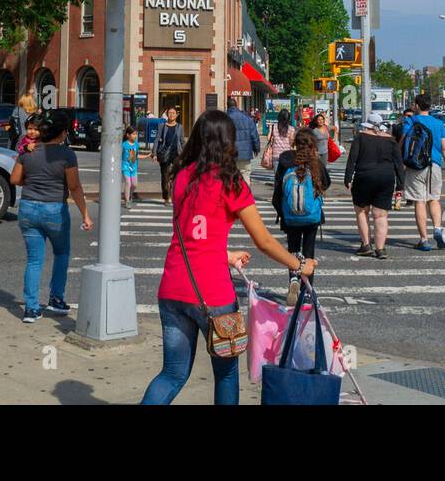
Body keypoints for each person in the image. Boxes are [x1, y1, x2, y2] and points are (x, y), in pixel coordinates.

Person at [142, 109, 316, 405]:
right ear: (228, 141)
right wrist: (300, 264)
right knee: (225, 373)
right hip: (213, 293)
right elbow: (263, 240)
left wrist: (226, 255)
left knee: (172, 373)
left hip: (173, 286)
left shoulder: (182, 176)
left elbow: (194, 235)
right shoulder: (231, 182)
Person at [9, 111, 92, 323]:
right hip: (54, 209)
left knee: (34, 260)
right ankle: (56, 298)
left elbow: (15, 178)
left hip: (28, 208)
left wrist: (33, 180)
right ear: (63, 133)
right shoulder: (66, 154)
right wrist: (85, 214)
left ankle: (31, 309)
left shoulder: (28, 150)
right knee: (62, 253)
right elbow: (74, 187)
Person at [272, 128, 330, 303]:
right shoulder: (316, 162)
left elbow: (278, 191)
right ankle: (306, 290)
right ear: (312, 144)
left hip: (290, 217)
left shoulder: (285, 162)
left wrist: (281, 212)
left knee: (293, 252)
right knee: (308, 252)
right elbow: (326, 183)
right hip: (311, 217)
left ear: (295, 143)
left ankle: (294, 280)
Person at [343, 112, 405, 259]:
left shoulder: (361, 137)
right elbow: (398, 164)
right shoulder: (391, 141)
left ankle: (365, 245)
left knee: (362, 211)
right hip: (386, 178)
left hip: (364, 176)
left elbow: (352, 159)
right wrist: (400, 186)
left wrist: (348, 178)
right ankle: (381, 249)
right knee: (381, 215)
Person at [403, 96, 445, 251]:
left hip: (416, 165)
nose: (412, 106)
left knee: (419, 201)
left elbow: (404, 141)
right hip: (435, 165)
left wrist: (400, 161)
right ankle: (438, 229)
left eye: (413, 103)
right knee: (433, 199)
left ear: (418, 105)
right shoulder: (439, 123)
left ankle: (424, 240)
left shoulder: (411, 121)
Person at [226, 96, 261, 184]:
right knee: (245, 174)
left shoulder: (225, 118)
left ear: (227, 106)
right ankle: (245, 196)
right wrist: (256, 148)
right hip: (245, 154)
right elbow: (254, 135)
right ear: (237, 105)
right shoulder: (247, 118)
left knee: (230, 176)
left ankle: (232, 196)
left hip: (230, 153)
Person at [156, 106, 184, 199]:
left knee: (176, 176)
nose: (171, 115)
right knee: (165, 176)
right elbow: (157, 139)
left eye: (173, 113)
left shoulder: (180, 127)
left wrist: (185, 153)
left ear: (176, 115)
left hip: (176, 154)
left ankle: (173, 194)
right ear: (167, 114)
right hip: (164, 153)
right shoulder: (162, 126)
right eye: (169, 113)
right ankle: (166, 197)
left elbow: (182, 141)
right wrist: (154, 153)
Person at [122, 127, 140, 207]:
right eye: (133, 134)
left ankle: (129, 195)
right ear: (128, 135)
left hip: (134, 167)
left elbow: (136, 156)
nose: (135, 136)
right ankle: (127, 201)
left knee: (134, 184)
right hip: (125, 167)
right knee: (128, 183)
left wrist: (147, 156)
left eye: (136, 134)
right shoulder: (124, 145)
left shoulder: (136, 144)